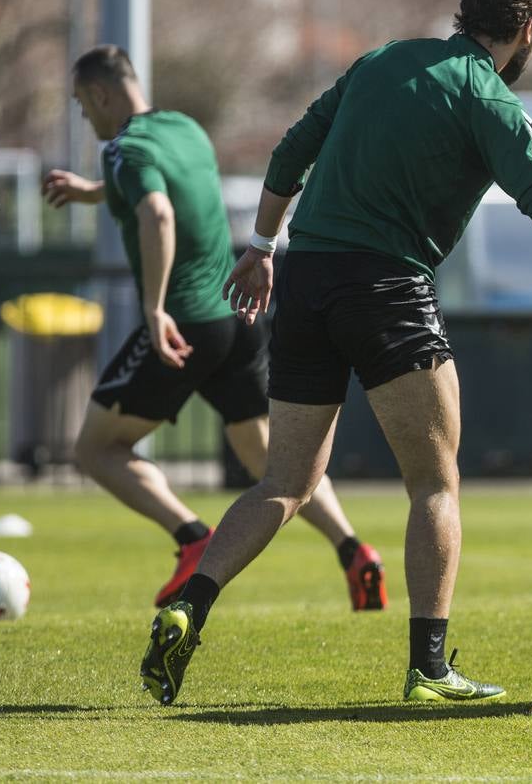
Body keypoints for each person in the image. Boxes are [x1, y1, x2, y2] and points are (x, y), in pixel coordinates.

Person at [139, 0, 532, 706]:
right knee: (435, 484)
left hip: (306, 276)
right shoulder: (490, 98)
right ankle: (430, 668)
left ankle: (191, 604)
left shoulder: (383, 60)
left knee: (284, 481)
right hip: (386, 286)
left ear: (466, 10)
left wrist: (262, 247)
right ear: (530, 30)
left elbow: (292, 151)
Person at [44, 45, 387, 614]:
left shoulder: (124, 149)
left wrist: (154, 310)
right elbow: (155, 183)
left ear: (101, 94)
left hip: (185, 323)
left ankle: (189, 537)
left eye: (83, 106)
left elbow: (156, 210)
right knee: (270, 461)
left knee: (95, 449)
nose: (87, 117)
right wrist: (91, 192)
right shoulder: (185, 130)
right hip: (237, 316)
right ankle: (354, 551)